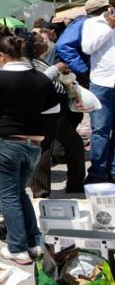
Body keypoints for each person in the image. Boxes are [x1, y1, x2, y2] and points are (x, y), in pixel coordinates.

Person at [0, 36, 60, 264]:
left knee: (9, 197)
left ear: (2, 55)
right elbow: (54, 109)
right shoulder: (41, 78)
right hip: (33, 145)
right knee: (20, 193)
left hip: (7, 142)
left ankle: (17, 248)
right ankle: (34, 242)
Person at [24, 33, 85, 197]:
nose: (46, 43)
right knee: (44, 152)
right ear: (34, 47)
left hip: (58, 114)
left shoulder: (40, 60)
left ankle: (76, 184)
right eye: (42, 41)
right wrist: (56, 68)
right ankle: (41, 192)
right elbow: (39, 81)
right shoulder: (27, 63)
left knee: (75, 145)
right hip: (44, 115)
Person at [81, 0, 115, 185]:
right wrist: (110, 27)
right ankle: (97, 174)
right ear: (110, 7)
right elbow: (87, 48)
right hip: (102, 83)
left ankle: (113, 170)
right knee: (100, 130)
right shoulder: (93, 24)